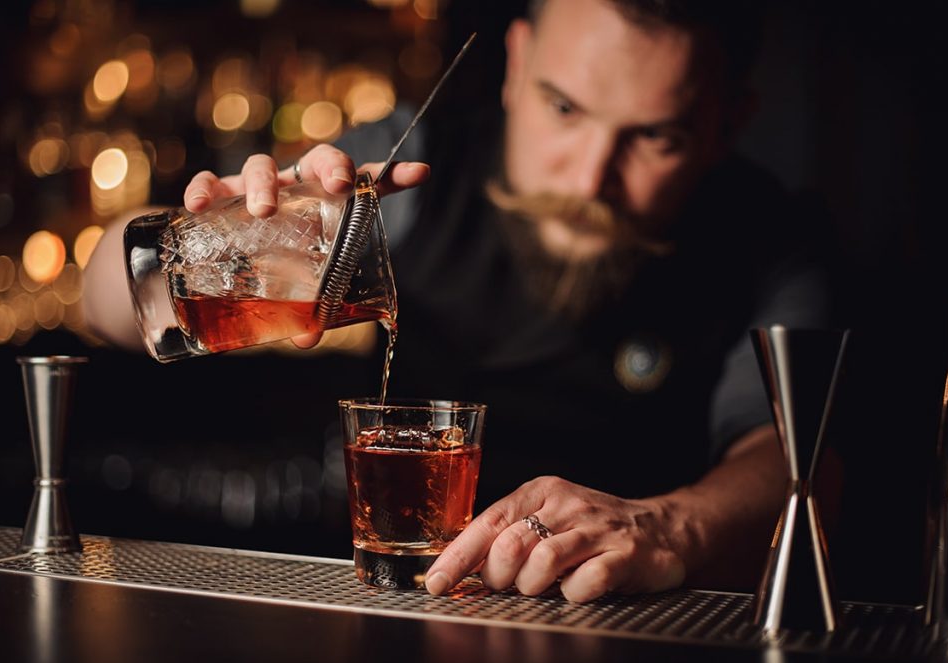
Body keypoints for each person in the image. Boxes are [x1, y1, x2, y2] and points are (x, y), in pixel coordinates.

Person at [83, 0, 834, 602]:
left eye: (656, 138)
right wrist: (212, 236)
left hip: (623, 621)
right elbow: (102, 302)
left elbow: (801, 463)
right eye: (564, 109)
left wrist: (671, 527)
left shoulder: (772, 243)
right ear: (515, 65)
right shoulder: (405, 174)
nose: (588, 178)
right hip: (379, 601)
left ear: (726, 123)